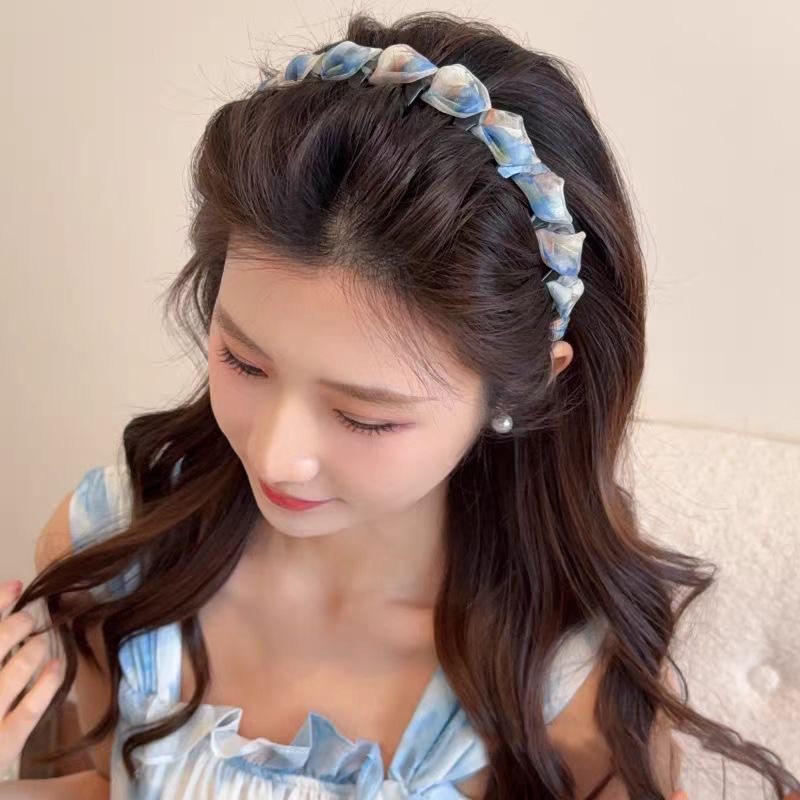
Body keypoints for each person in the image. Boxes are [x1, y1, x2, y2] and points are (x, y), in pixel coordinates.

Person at [2, 10, 798, 800]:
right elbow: (90, 785)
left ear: (526, 384)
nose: (275, 454)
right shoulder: (111, 557)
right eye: (243, 361)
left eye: (364, 416)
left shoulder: (564, 688)